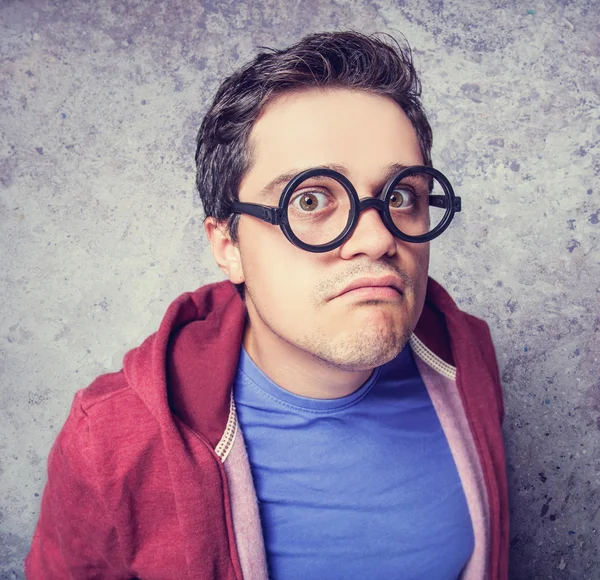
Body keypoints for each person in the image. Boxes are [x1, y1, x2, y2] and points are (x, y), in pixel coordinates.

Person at [25, 31, 509, 579]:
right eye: (310, 200)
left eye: (401, 197)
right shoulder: (113, 441)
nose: (376, 239)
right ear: (228, 246)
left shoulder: (467, 358)